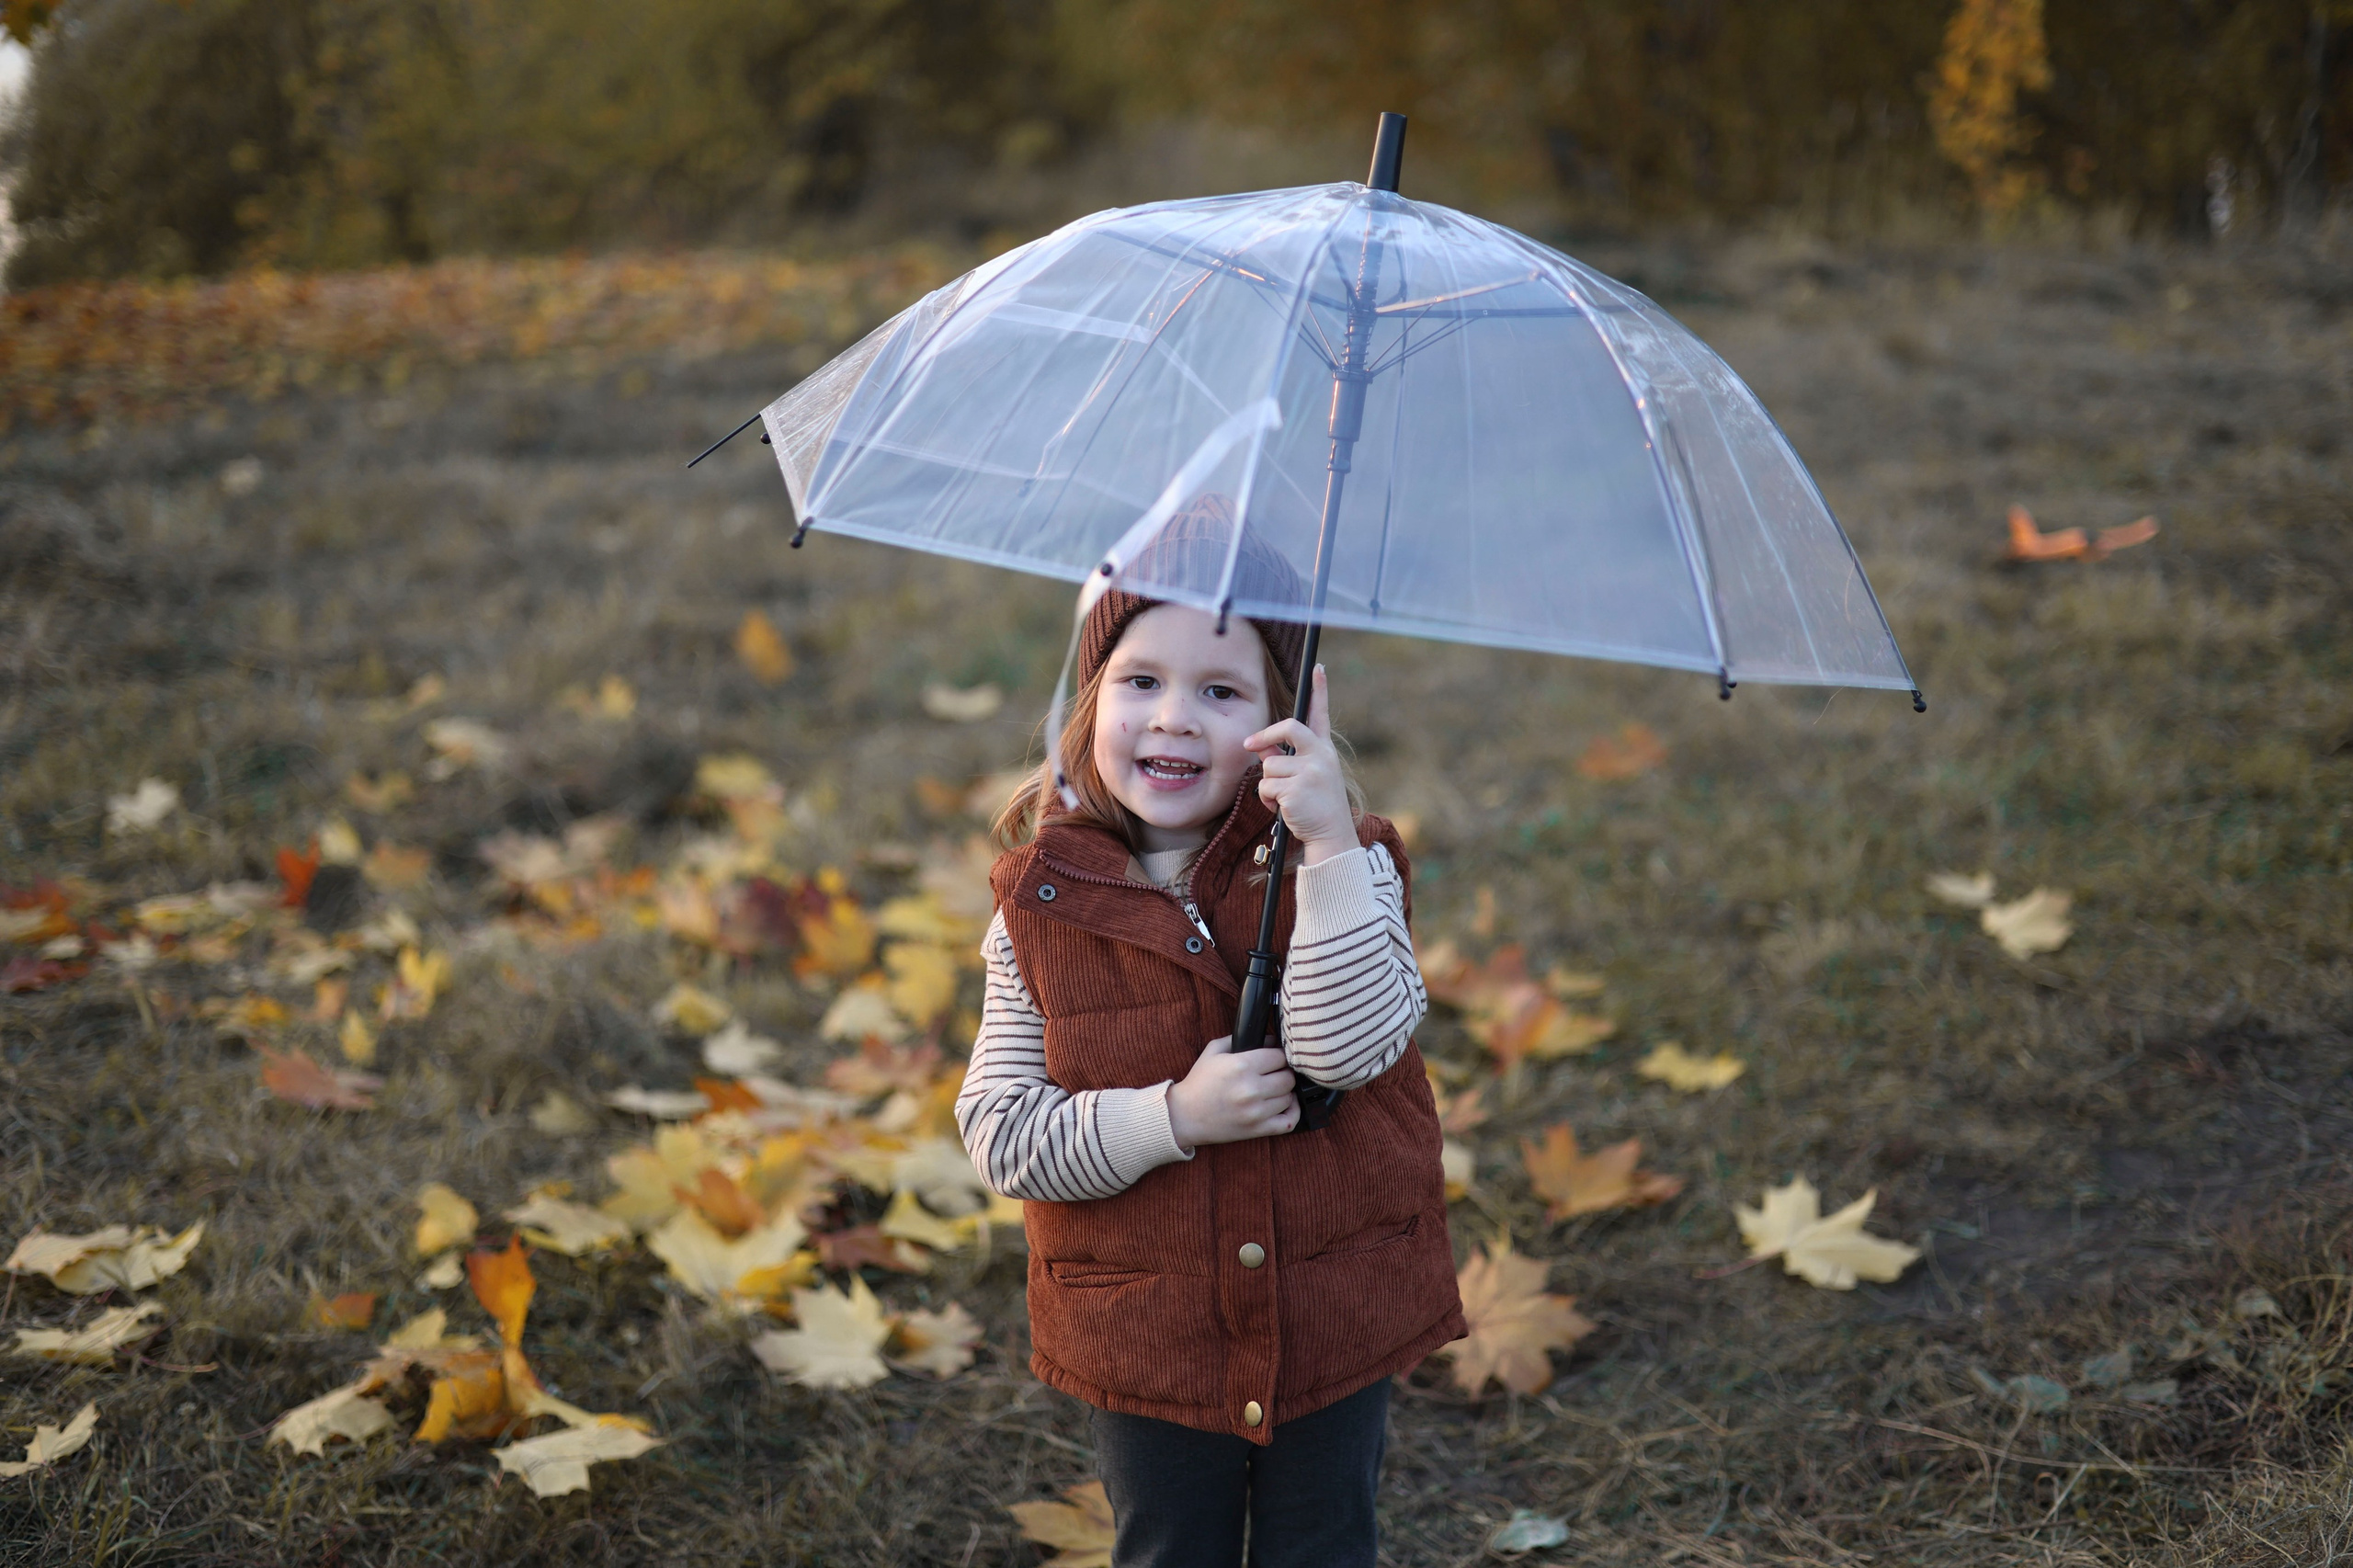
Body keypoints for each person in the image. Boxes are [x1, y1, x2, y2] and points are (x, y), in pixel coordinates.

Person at [955, 500, 1466, 1568]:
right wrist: (1173, 1115)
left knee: (1322, 1543)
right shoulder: (1040, 906)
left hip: (1332, 1302)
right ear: (1093, 696)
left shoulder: (1352, 863)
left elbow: (1346, 1051)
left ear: (1290, 720)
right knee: (1169, 1545)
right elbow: (1004, 1132)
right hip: (1151, 1324)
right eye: (1142, 680)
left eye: (1221, 690)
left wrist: (1324, 843)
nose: (1175, 717)